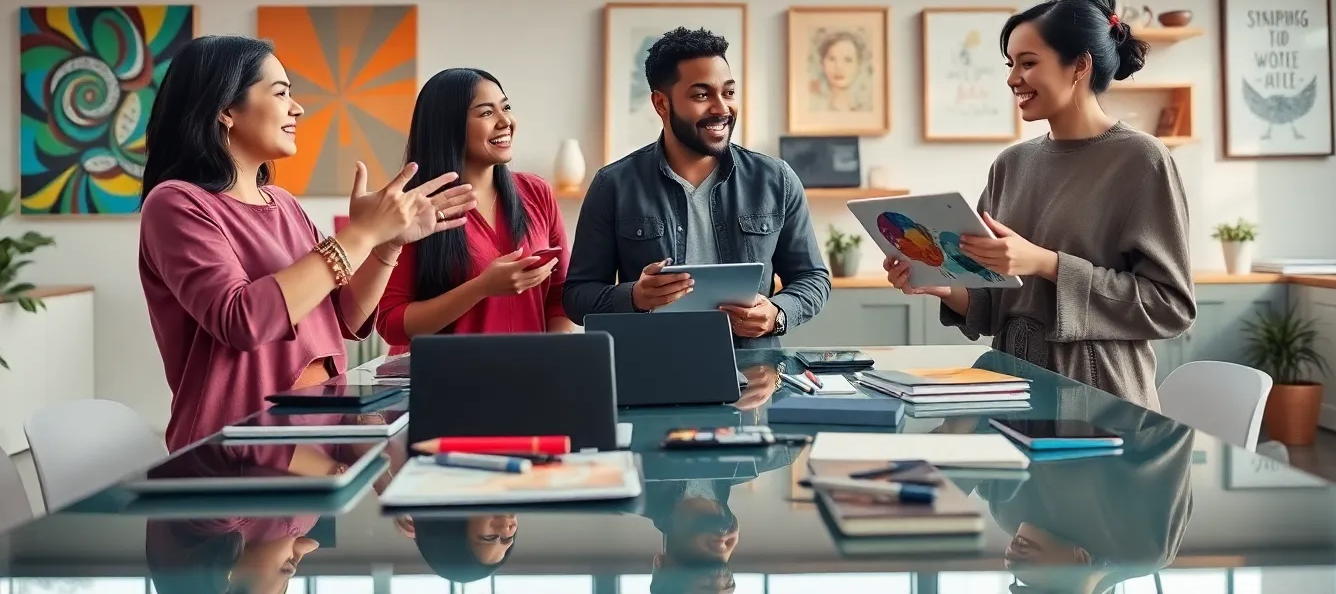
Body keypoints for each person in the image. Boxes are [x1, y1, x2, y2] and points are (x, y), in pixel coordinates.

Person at [138, 36, 475, 450]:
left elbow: (346, 317)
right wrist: (363, 232)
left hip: (316, 440)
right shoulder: (176, 203)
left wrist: (387, 244)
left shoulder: (284, 205)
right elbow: (241, 321)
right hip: (235, 456)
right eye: (280, 93)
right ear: (225, 109)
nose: (297, 108)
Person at [886, 0, 1196, 410]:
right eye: (1010, 64)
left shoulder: (1141, 160)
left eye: (1028, 63)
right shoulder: (1010, 164)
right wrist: (939, 283)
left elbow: (1170, 307)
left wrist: (1046, 264)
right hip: (1007, 388)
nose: (1013, 78)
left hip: (1098, 397)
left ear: (1079, 66)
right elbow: (995, 300)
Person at [563, 27, 830, 338]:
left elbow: (813, 278)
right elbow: (577, 296)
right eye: (702, 95)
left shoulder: (776, 180)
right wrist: (634, 296)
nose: (721, 108)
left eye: (728, 92)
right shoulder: (613, 184)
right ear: (662, 104)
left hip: (752, 372)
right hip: (647, 368)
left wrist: (777, 313)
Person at [376, 68, 570, 354]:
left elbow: (561, 294)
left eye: (506, 108)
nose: (505, 121)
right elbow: (391, 323)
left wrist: (555, 359)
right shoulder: (411, 209)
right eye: (486, 113)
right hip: (445, 383)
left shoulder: (537, 193)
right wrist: (480, 288)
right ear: (448, 126)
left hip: (531, 378)